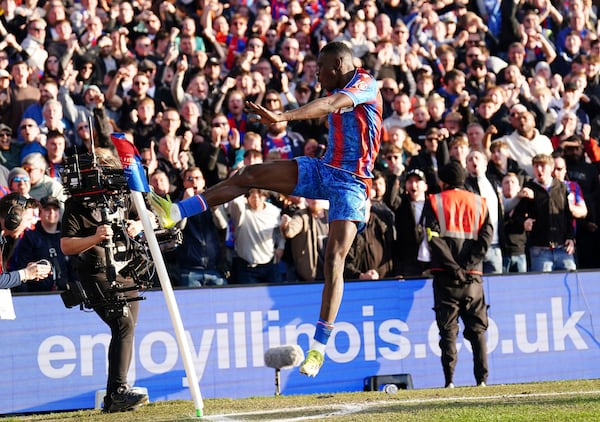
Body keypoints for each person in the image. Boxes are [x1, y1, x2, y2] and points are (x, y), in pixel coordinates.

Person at [150, 42, 382, 377]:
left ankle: (318, 349)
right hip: (324, 169)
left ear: (338, 65)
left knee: (334, 258)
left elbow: (331, 103)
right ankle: (177, 211)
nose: (316, 74)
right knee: (247, 174)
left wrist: (284, 116)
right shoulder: (337, 81)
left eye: (320, 67)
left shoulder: (365, 83)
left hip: (353, 183)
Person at [60, 149, 149, 413]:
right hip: (96, 272)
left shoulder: (122, 195)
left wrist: (138, 225)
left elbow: (150, 215)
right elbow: (66, 244)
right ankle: (119, 392)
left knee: (127, 328)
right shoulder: (76, 203)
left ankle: (113, 397)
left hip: (126, 268)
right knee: (122, 324)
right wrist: (95, 238)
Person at [423, 161, 493, 388]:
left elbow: (433, 237)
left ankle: (450, 381)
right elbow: (486, 237)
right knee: (478, 330)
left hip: (446, 276)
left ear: (443, 181)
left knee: (448, 331)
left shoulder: (434, 201)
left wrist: (454, 268)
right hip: (473, 276)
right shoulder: (480, 203)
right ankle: (482, 380)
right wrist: (469, 265)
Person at [512, 154, 576, 272]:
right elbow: (516, 216)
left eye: (542, 165)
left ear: (551, 168)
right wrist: (524, 223)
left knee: (572, 283)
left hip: (563, 248)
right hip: (540, 250)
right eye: (536, 166)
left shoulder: (561, 187)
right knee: (543, 287)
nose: (539, 169)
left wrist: (571, 238)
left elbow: (567, 215)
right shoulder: (529, 188)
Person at [0, 193, 52, 289]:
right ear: (13, 220)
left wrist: (31, 271)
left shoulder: (6, 239)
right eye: (28, 220)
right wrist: (25, 273)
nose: (29, 226)